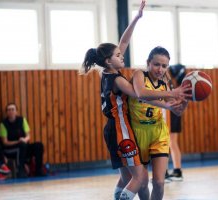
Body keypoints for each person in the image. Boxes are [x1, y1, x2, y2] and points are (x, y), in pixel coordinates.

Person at [81, 1, 189, 199]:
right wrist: (170, 97)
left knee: (126, 179)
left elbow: (123, 42)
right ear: (108, 60)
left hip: (116, 129)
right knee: (139, 178)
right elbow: (142, 95)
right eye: (118, 55)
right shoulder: (119, 80)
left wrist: (136, 19)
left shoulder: (107, 72)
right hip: (122, 129)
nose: (123, 55)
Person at [128, 47, 189, 200]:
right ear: (148, 63)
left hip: (158, 133)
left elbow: (177, 111)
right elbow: (142, 93)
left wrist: (188, 99)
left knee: (159, 182)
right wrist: (170, 93)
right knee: (142, 183)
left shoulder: (164, 84)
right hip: (137, 133)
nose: (160, 69)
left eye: (164, 66)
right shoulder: (139, 75)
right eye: (156, 64)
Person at [0, 103, 45, 178]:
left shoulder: (22, 120)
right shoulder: (3, 124)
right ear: (6, 112)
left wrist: (24, 139)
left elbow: (28, 136)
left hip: (23, 145)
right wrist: (18, 142)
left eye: (12, 109)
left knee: (39, 145)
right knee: (22, 146)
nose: (11, 111)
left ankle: (38, 170)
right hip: (9, 149)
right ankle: (20, 170)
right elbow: (5, 142)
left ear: (16, 111)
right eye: (9, 110)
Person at [165, 64, 187, 181]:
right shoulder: (176, 86)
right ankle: (177, 170)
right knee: (172, 143)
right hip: (174, 113)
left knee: (167, 143)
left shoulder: (171, 85)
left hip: (170, 114)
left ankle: (165, 173)